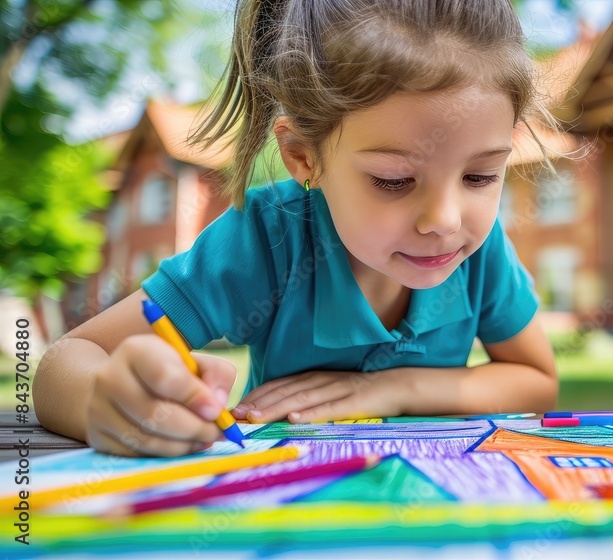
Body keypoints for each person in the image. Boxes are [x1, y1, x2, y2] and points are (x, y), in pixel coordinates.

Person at [34, 0, 559, 457]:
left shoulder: (482, 249)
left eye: (480, 175)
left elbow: (537, 382)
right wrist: (108, 398)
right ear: (302, 156)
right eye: (394, 181)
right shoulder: (264, 238)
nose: (445, 221)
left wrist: (396, 390)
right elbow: (63, 365)